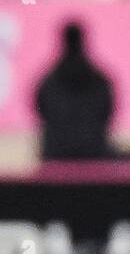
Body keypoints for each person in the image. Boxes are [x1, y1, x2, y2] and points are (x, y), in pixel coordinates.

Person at [36, 22, 115, 160]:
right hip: (94, 153)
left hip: (56, 153)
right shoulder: (100, 80)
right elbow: (108, 110)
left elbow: (39, 107)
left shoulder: (48, 81)